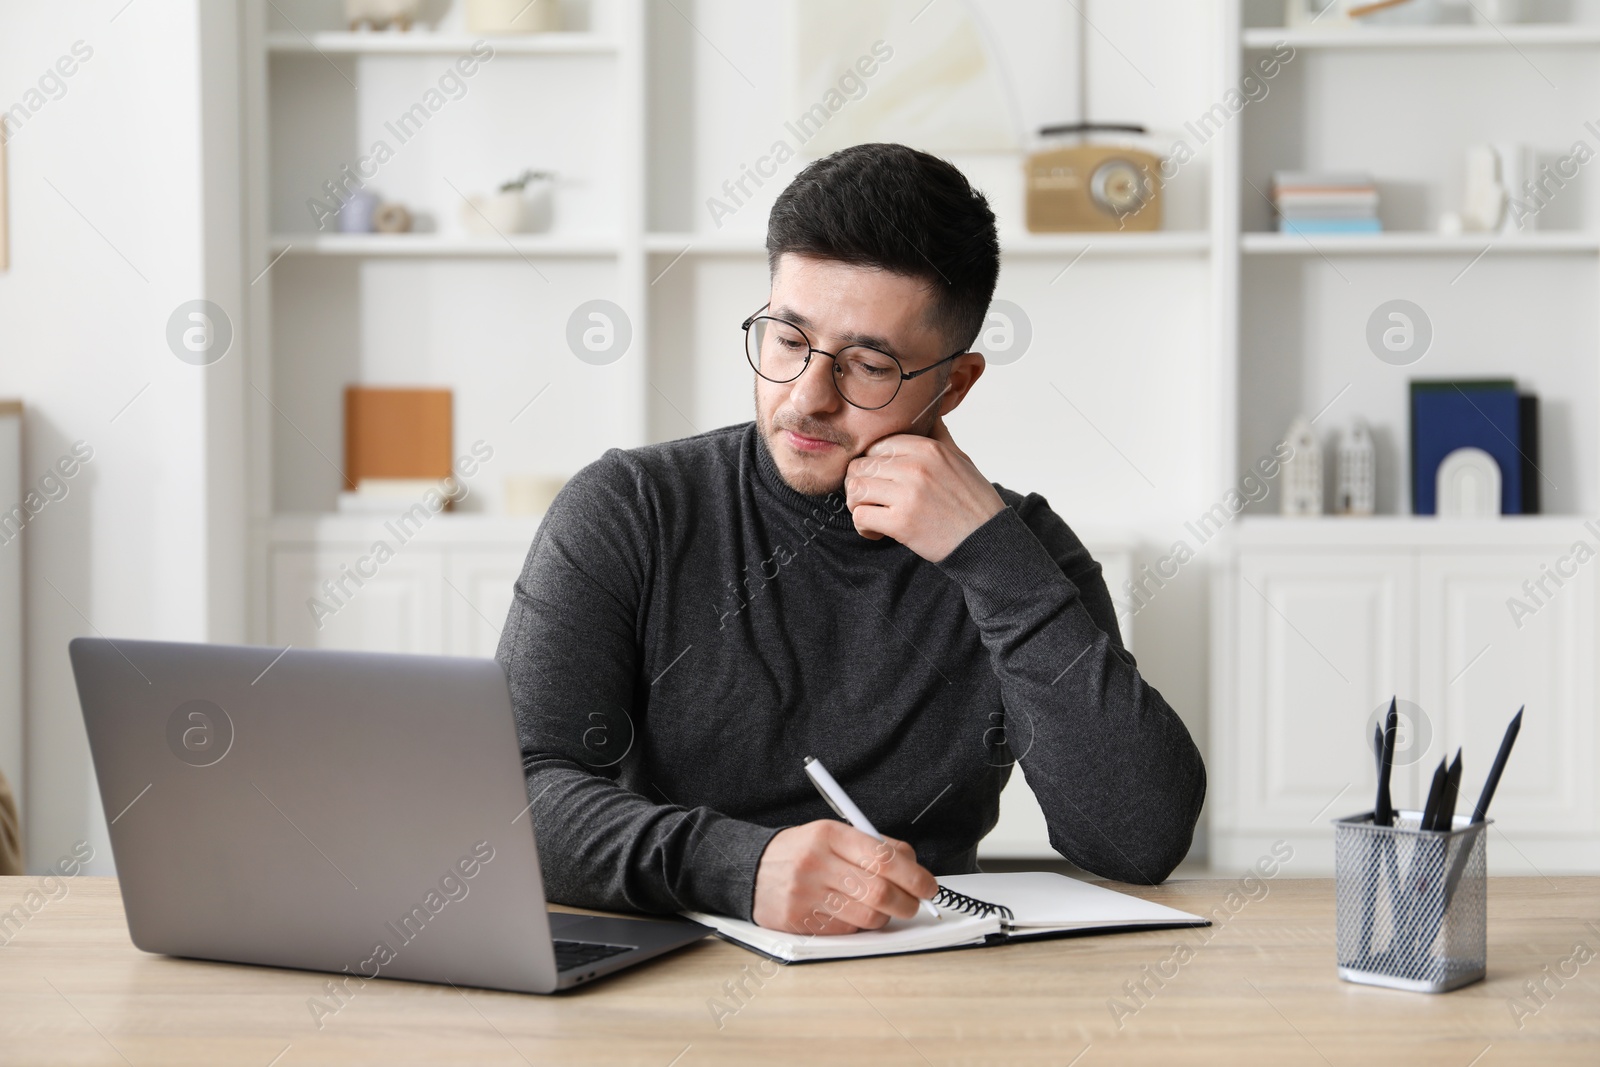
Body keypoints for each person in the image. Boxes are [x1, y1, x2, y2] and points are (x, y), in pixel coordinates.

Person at [497, 143, 1205, 936]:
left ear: (955, 383)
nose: (806, 397)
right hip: (669, 972)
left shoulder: (1017, 549)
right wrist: (742, 866)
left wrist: (989, 558)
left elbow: (1137, 840)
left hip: (924, 981)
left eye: (866, 364)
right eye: (787, 339)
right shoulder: (629, 510)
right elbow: (509, 798)